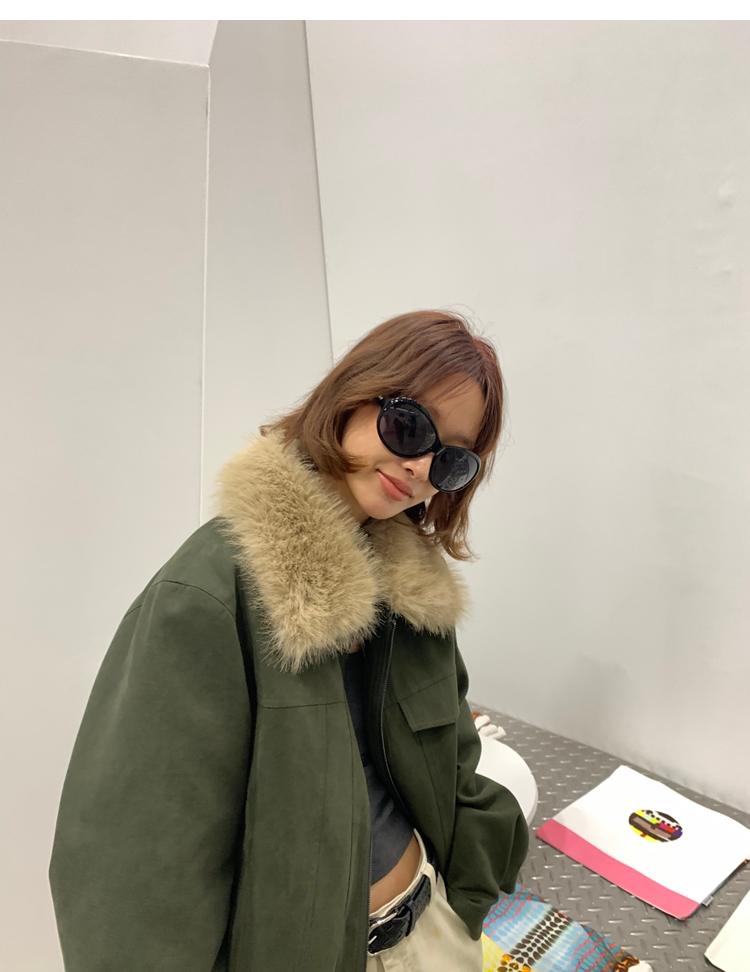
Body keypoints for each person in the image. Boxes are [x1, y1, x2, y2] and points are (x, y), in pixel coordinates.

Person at [48, 308, 529, 971]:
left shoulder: (411, 597)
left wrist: (468, 895)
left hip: (435, 929)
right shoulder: (211, 594)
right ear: (354, 394)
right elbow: (136, 874)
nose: (419, 466)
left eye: (450, 460)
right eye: (409, 426)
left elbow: (454, 764)